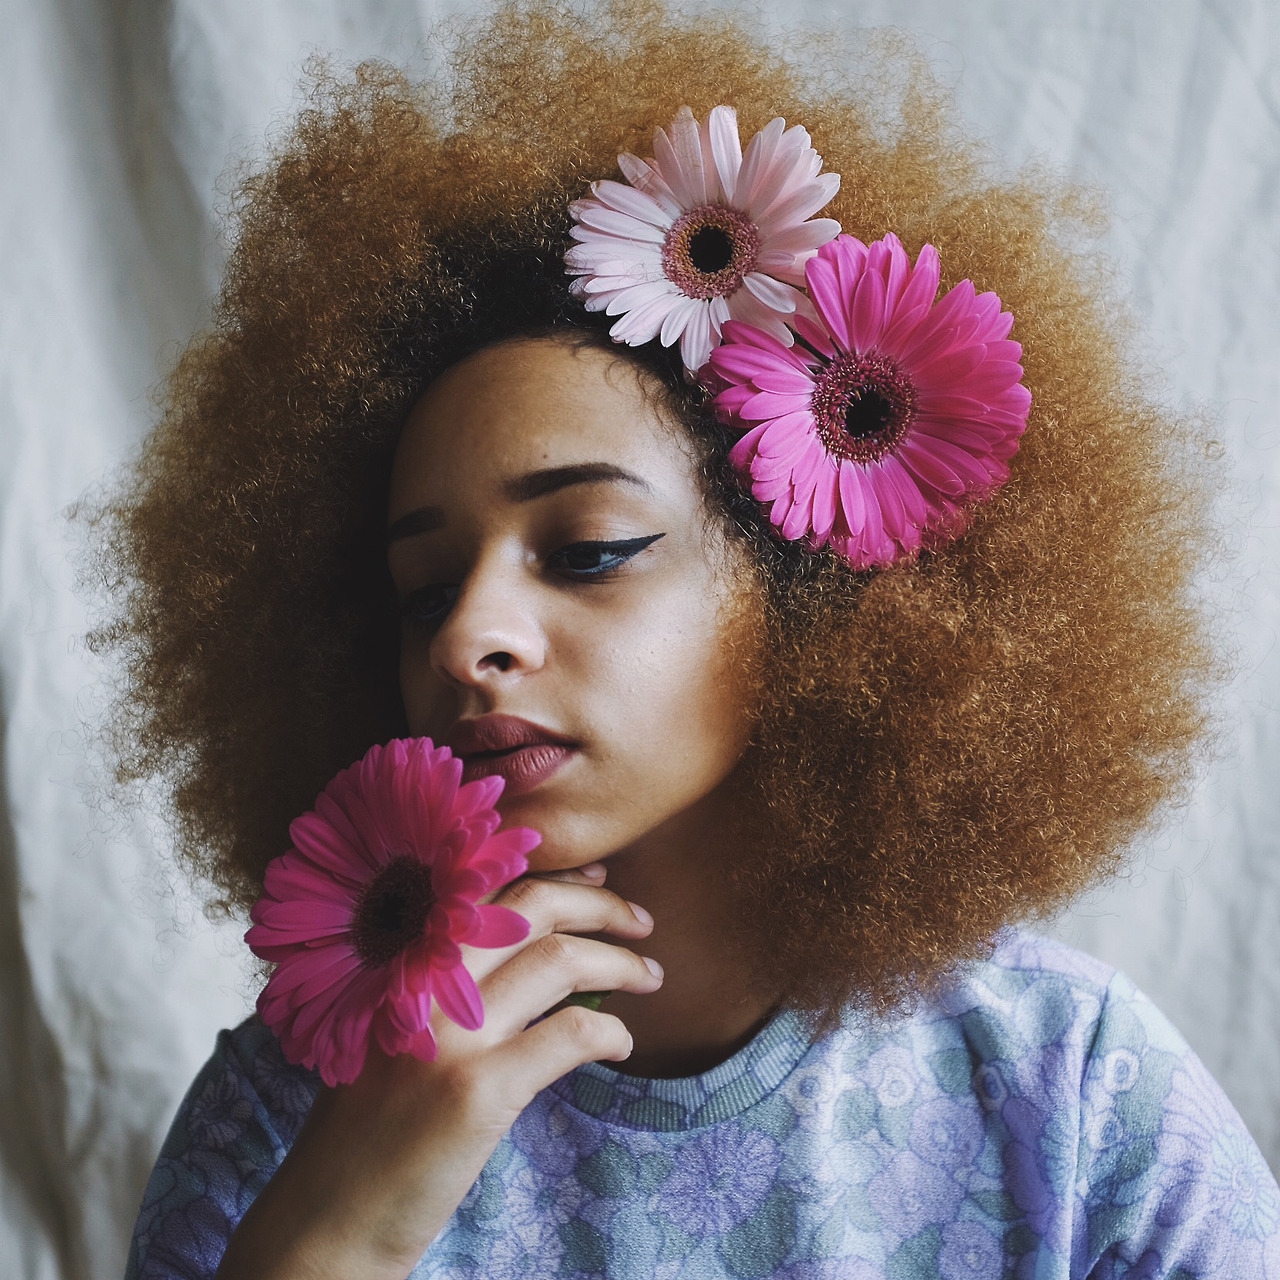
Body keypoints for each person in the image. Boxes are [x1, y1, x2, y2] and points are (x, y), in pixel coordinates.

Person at [97, 2, 1279, 1276]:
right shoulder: (290, 1118)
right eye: (422, 588)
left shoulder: (1070, 1089)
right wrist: (334, 1225)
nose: (469, 638)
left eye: (589, 549)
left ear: (813, 591)